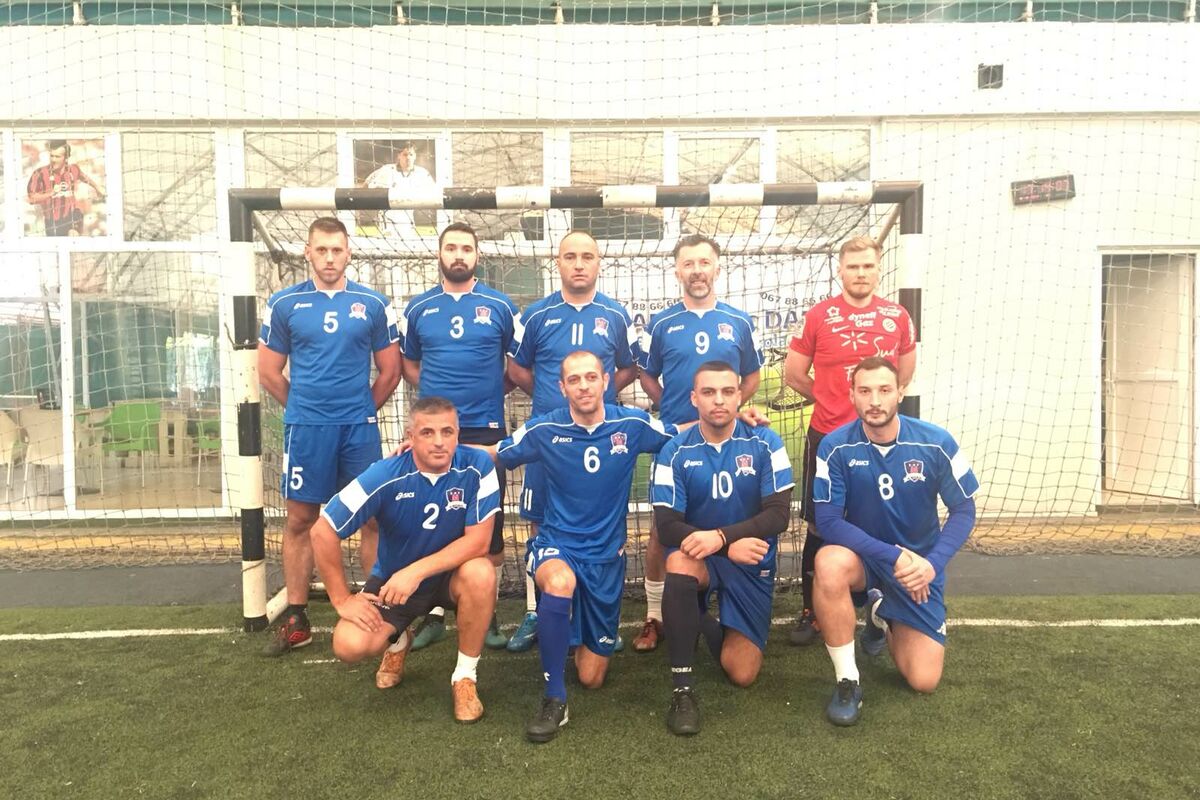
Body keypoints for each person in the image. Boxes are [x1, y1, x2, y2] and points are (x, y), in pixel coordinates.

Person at [485, 351, 677, 742]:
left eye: (591, 377)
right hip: (557, 545)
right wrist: (435, 449)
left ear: (606, 381)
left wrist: (737, 418)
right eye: (574, 380)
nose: (584, 386)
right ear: (562, 387)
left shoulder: (632, 424)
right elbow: (495, 453)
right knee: (559, 583)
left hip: (605, 559)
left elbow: (685, 433)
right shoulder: (545, 428)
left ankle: (569, 631)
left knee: (591, 677)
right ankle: (554, 698)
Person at [258, 216, 402, 657]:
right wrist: (305, 410)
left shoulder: (373, 304)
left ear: (348, 253)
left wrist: (360, 411)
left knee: (373, 518)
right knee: (301, 519)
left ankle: (377, 610)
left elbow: (390, 371)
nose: (329, 258)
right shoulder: (284, 304)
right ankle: (297, 618)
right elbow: (269, 372)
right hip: (307, 432)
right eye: (321, 249)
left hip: (358, 431)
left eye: (336, 250)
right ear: (308, 252)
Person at [311, 396, 500, 724]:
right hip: (395, 584)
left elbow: (479, 541)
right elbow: (322, 532)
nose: (439, 442)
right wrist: (342, 599)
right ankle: (398, 642)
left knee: (482, 572)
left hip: (450, 577)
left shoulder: (478, 466)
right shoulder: (383, 473)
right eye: (427, 432)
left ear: (458, 434)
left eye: (447, 432)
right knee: (348, 645)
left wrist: (417, 571)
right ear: (410, 436)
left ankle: (464, 678)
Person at [812, 357, 977, 726]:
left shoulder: (936, 442)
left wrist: (931, 564)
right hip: (865, 559)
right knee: (828, 562)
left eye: (884, 390)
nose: (875, 401)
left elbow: (964, 510)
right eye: (865, 391)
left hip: (918, 567)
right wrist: (892, 556)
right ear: (851, 395)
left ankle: (880, 616)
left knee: (923, 680)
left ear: (900, 392)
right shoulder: (834, 446)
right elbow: (828, 521)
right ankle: (847, 681)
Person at [503, 230, 639, 653]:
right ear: (557, 263)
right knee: (539, 519)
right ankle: (536, 610)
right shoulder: (536, 314)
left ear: (599, 263)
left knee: (602, 517)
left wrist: (597, 400)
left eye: (587, 256)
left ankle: (598, 615)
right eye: (570, 256)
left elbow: (629, 367)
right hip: (549, 439)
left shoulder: (615, 314)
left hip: (599, 436)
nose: (579, 264)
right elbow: (517, 369)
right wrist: (552, 401)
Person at [783, 235, 916, 646]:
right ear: (840, 270)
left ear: (879, 269)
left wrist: (874, 406)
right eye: (853, 266)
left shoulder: (898, 317)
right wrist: (829, 399)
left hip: (881, 441)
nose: (861, 273)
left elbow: (904, 375)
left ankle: (888, 604)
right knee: (819, 523)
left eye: (868, 266)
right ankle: (812, 610)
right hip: (828, 436)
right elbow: (794, 374)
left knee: (885, 517)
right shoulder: (818, 316)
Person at [634, 233, 764, 652]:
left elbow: (751, 376)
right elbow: (646, 375)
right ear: (677, 271)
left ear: (717, 268)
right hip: (675, 442)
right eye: (688, 263)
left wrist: (726, 409)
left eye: (704, 262)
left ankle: (730, 600)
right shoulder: (661, 323)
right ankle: (655, 615)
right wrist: (677, 415)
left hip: (727, 438)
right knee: (662, 529)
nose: (696, 271)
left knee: (730, 513)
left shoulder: (739, 321)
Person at [651, 362, 792, 735]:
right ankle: (682, 690)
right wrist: (723, 545)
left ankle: (696, 618)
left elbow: (779, 515)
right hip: (706, 556)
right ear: (693, 398)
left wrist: (722, 537)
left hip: (751, 562)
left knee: (742, 673)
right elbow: (667, 526)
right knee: (679, 564)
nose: (719, 400)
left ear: (740, 396)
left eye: (728, 392)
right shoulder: (674, 451)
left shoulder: (766, 442)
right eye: (709, 392)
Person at [400, 222, 519, 651]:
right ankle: (431, 613)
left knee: (489, 524)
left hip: (484, 428)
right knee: (434, 522)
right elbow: (409, 365)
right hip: (435, 430)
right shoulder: (418, 308)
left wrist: (486, 393)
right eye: (451, 247)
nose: (458, 255)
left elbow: (516, 367)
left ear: (477, 256)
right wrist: (436, 406)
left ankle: (486, 613)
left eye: (466, 248)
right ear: (439, 254)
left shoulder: (500, 306)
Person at [26, 140, 105, 237]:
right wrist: (52, 193)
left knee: (74, 228)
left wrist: (97, 187)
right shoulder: (39, 173)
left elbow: (83, 177)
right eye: (52, 156)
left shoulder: (73, 169)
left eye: (57, 157)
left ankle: (74, 233)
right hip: (52, 222)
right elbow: (31, 198)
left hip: (72, 217)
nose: (53, 159)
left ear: (66, 157)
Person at [364, 142, 437, 237]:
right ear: (399, 156)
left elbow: (434, 192)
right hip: (388, 220)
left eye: (411, 154)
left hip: (408, 220)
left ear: (415, 156)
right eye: (405, 154)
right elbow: (367, 183)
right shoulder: (387, 170)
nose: (408, 158)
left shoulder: (422, 173)